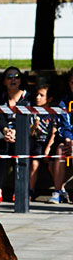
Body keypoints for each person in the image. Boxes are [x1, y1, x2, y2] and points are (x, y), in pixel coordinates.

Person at [0, 67, 30, 203]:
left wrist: (17, 132)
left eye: (16, 76)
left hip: (25, 131)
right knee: (0, 147)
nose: (13, 79)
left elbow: (30, 118)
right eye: (9, 77)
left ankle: (19, 190)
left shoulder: (28, 96)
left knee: (21, 149)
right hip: (5, 132)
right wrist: (7, 130)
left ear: (20, 80)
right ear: (4, 81)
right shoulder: (0, 97)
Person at [28, 83, 63, 203]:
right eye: (37, 95)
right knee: (34, 163)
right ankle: (30, 191)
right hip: (38, 143)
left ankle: (61, 190)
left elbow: (54, 132)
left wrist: (48, 148)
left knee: (51, 164)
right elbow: (31, 135)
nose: (37, 97)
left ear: (49, 99)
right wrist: (34, 127)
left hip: (50, 143)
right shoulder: (33, 113)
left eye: (41, 95)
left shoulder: (53, 113)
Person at [54, 68, 73, 204]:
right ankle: (58, 191)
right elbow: (64, 124)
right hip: (68, 140)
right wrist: (69, 140)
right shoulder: (64, 102)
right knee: (61, 150)